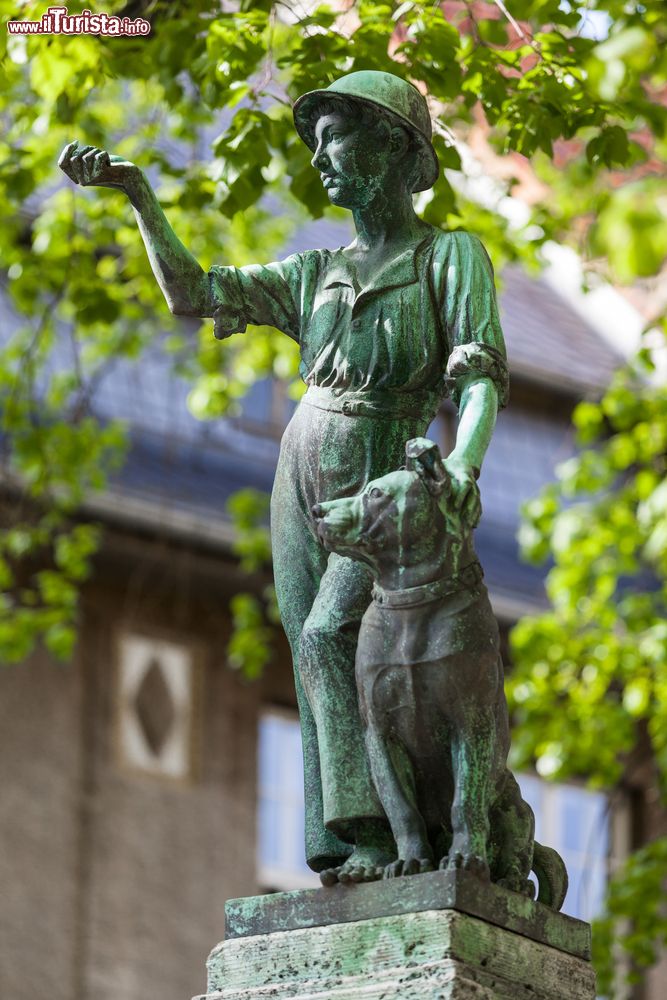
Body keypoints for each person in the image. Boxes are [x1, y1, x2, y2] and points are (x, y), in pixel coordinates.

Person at [59, 70, 509, 885]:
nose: (322, 157)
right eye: (315, 143)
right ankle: (347, 844)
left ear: (398, 147)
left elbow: (478, 376)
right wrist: (138, 197)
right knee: (312, 655)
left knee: (332, 634)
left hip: (384, 468)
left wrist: (463, 462)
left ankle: (387, 830)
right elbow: (193, 293)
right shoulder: (317, 272)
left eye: (338, 137)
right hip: (299, 465)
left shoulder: (449, 256)